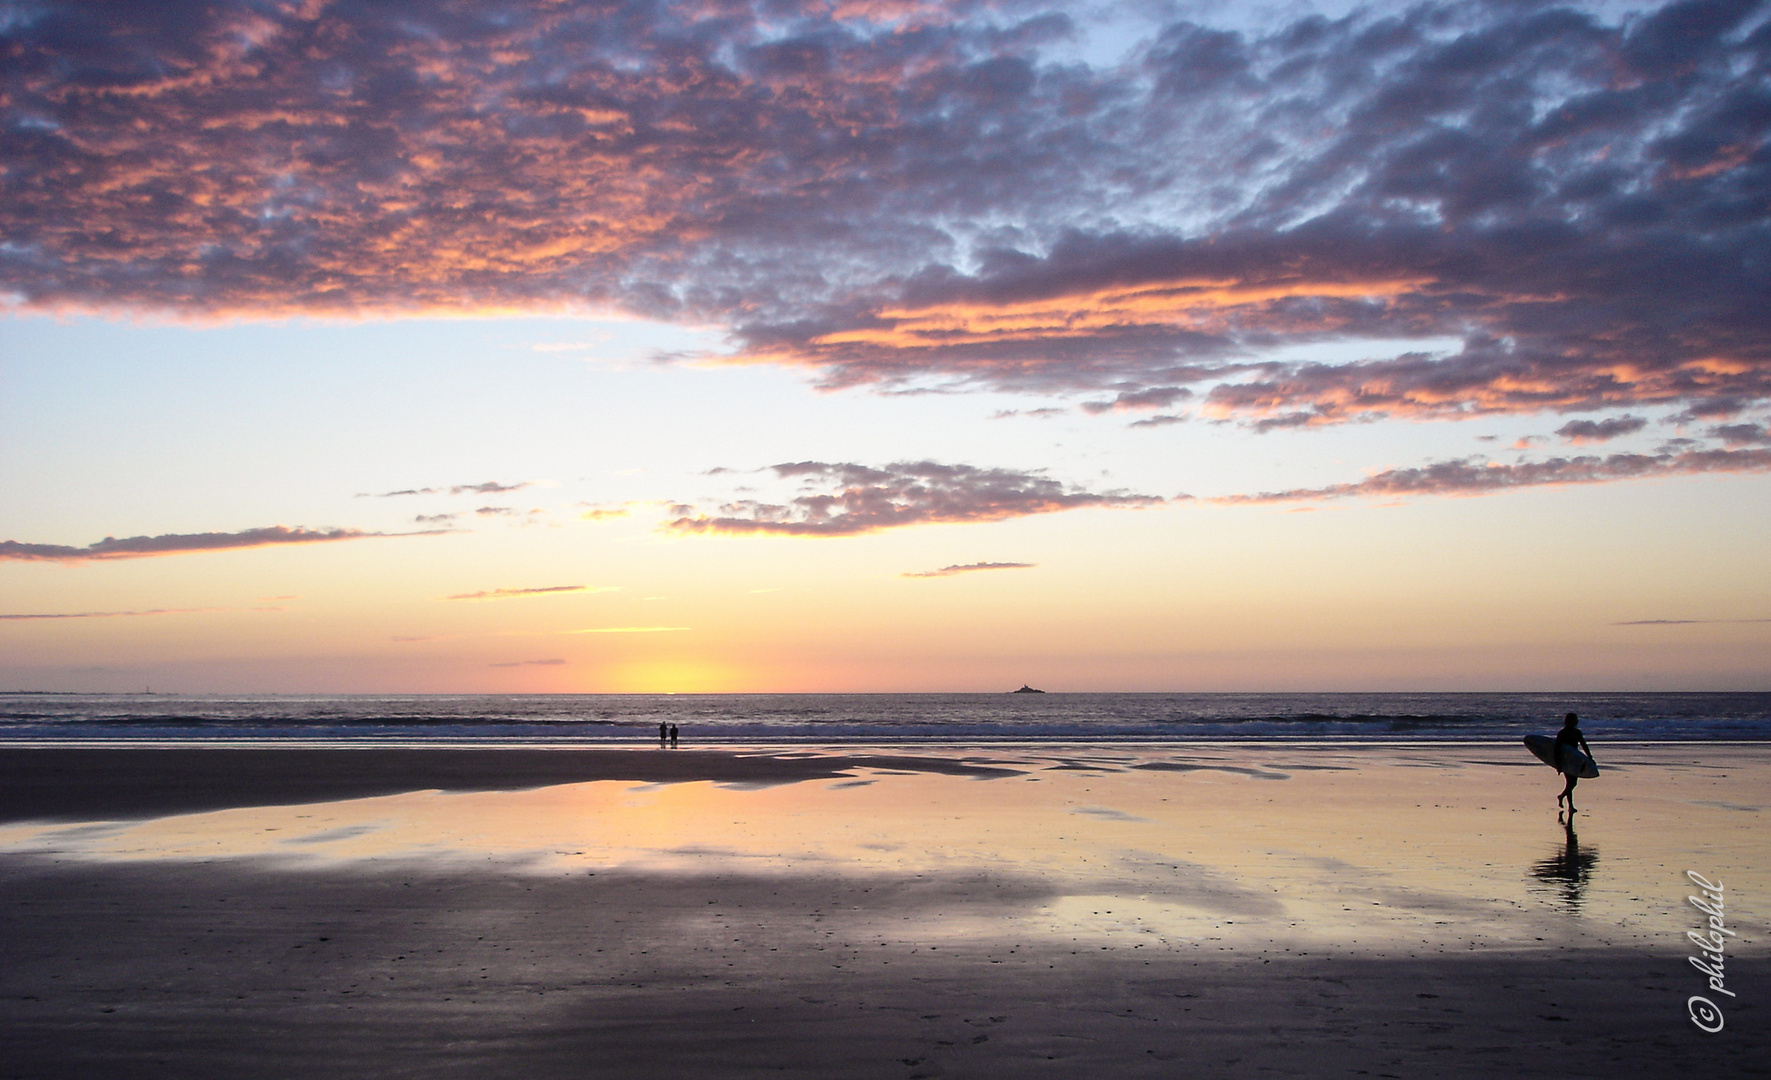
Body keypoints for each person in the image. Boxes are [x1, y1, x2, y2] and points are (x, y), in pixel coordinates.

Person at [1554, 712, 1595, 812]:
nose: (1577, 721)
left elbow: (1583, 745)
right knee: (1570, 783)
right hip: (1566, 761)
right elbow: (1557, 749)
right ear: (1569, 721)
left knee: (1572, 783)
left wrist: (1589, 757)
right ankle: (1570, 805)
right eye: (1575, 720)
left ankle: (1563, 798)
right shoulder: (1563, 733)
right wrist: (1558, 765)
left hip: (1574, 760)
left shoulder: (1577, 732)